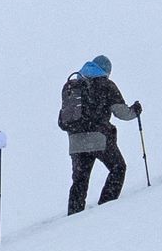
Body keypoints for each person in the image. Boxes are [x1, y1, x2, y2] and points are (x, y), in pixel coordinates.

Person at [58, 56, 141, 211]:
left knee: (80, 181)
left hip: (75, 140)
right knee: (118, 168)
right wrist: (135, 111)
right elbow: (122, 113)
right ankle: (105, 208)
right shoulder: (106, 85)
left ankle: (74, 216)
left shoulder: (74, 86)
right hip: (99, 139)